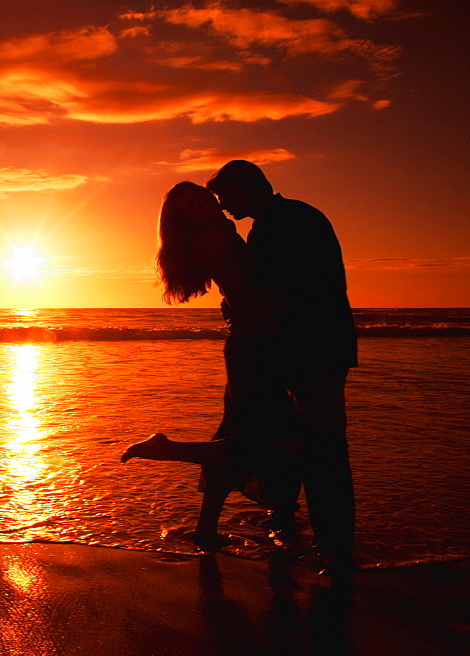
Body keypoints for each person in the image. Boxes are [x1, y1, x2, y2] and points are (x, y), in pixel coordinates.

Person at [122, 181, 299, 549]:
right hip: (257, 347)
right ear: (187, 216)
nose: (205, 202)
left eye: (202, 196)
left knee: (239, 434)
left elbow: (240, 295)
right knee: (272, 440)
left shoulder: (213, 234)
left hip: (247, 346)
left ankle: (210, 527)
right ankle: (167, 449)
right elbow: (247, 294)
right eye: (193, 203)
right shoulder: (218, 234)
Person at [205, 160, 358, 581]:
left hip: (316, 346)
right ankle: (294, 523)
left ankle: (335, 546)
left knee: (324, 445)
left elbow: (298, 286)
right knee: (296, 438)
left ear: (250, 187)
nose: (223, 205)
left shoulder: (290, 220)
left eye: (226, 196)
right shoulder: (275, 222)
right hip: (299, 345)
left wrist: (245, 305)